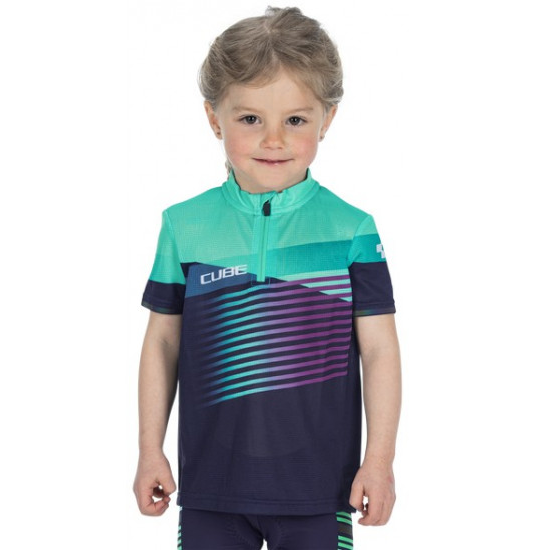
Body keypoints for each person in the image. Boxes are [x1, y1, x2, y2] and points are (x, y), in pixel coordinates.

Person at [133, 6, 401, 549]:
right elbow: (162, 341)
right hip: (211, 489)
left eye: (295, 121)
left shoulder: (351, 229)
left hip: (320, 492)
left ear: (327, 119)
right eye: (250, 119)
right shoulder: (184, 226)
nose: (273, 140)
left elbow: (379, 351)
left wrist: (379, 461)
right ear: (215, 119)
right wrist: (148, 450)